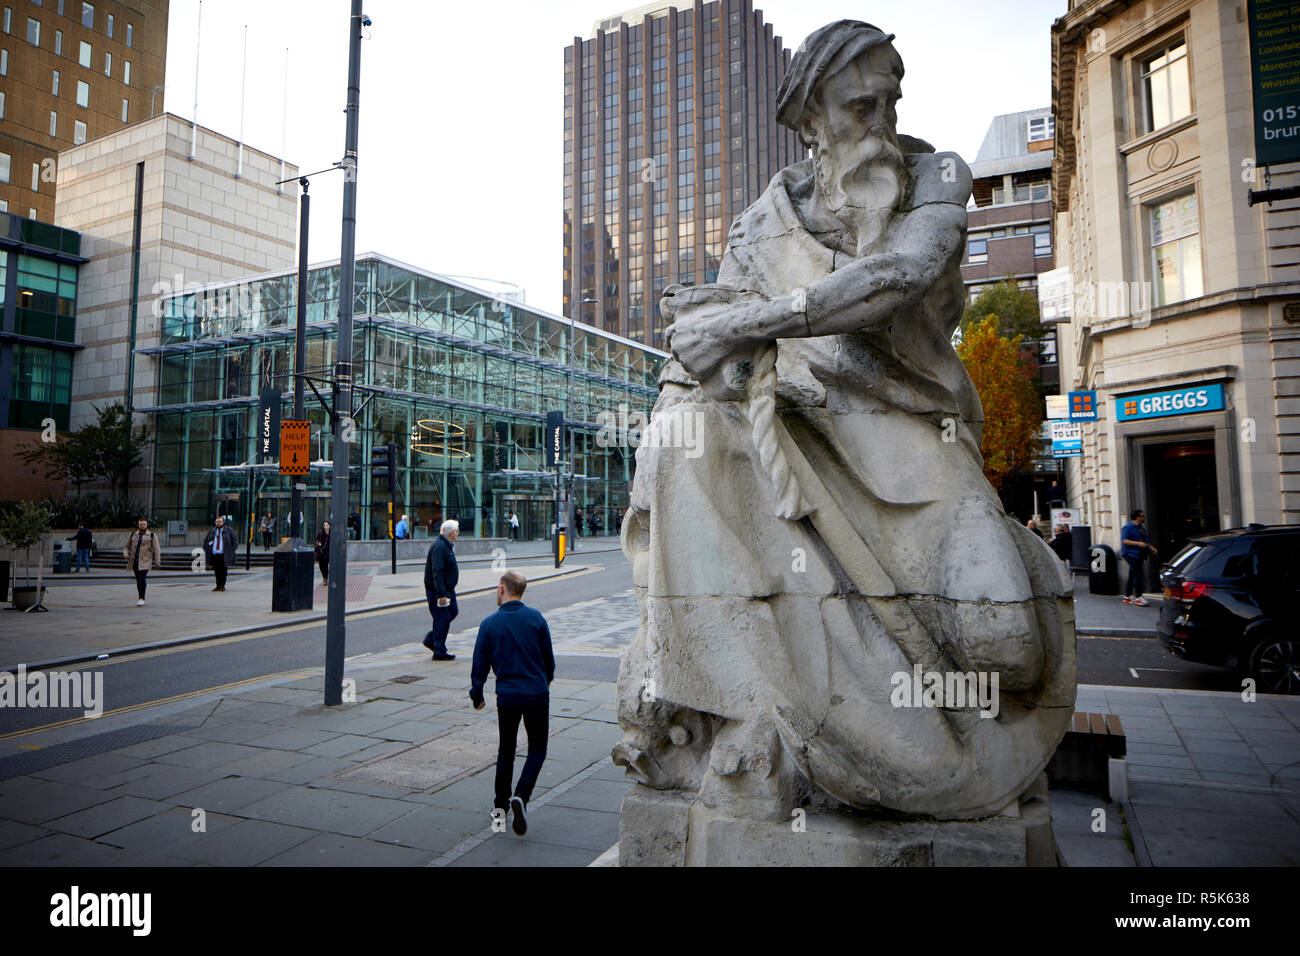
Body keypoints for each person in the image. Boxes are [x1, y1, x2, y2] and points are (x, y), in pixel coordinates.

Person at [470, 570, 555, 836]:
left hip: (507, 696)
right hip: (536, 694)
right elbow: (548, 660)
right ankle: (522, 795)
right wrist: (544, 682)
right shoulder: (536, 619)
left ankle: (499, 809)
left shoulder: (490, 624)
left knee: (506, 750)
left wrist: (477, 694)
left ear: (502, 589)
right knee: (537, 749)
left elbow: (480, 663)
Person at [423, 519, 460, 661]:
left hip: (447, 589)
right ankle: (439, 649)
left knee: (452, 612)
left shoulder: (446, 545)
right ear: (451, 533)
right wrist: (441, 594)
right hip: (440, 591)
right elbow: (437, 571)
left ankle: (432, 639)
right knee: (442, 618)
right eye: (456, 531)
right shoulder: (439, 547)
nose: (457, 533)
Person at [1120, 509, 1157, 606]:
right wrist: (1138, 543)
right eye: (1142, 516)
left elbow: (1145, 541)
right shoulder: (1128, 527)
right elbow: (1124, 541)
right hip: (1130, 554)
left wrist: (1151, 548)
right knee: (1138, 574)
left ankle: (1127, 595)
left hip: (1139, 554)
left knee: (1133, 573)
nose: (1143, 517)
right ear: (1137, 517)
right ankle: (1138, 597)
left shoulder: (1141, 528)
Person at [122, 517, 161, 606]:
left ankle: (142, 598)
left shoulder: (151, 535)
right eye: (140, 524)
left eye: (144, 524)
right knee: (138, 579)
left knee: (142, 578)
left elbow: (157, 549)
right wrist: (125, 554)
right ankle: (140, 596)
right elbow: (126, 546)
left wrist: (157, 561)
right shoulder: (133, 534)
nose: (142, 526)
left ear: (146, 525)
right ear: (138, 525)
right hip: (135, 561)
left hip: (145, 560)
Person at [203, 515, 237, 592]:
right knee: (216, 570)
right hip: (214, 554)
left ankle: (222, 585)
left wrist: (231, 550)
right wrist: (206, 549)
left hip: (224, 554)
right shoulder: (212, 531)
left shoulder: (228, 531)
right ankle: (218, 585)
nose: (218, 523)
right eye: (217, 521)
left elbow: (235, 541)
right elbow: (206, 541)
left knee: (223, 570)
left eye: (220, 522)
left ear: (223, 522)